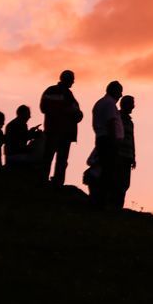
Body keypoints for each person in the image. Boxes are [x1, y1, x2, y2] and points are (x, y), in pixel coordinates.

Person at [40, 70, 83, 186]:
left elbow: (43, 107)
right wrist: (70, 112)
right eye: (72, 79)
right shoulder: (67, 95)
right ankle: (56, 182)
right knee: (59, 160)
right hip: (62, 132)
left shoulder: (51, 91)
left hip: (55, 131)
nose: (73, 82)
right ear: (68, 80)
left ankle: (45, 180)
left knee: (50, 158)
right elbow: (76, 113)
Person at [89, 80, 124, 209]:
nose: (121, 95)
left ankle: (100, 199)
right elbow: (110, 123)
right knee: (107, 171)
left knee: (105, 169)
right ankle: (101, 201)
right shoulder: (109, 104)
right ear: (114, 90)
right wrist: (114, 141)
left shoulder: (103, 103)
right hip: (108, 140)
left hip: (105, 139)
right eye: (120, 91)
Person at [114, 94, 137, 209]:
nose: (134, 106)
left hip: (127, 157)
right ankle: (115, 206)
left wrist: (133, 156)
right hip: (118, 156)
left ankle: (118, 206)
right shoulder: (117, 118)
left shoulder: (130, 122)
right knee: (117, 182)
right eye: (132, 104)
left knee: (125, 184)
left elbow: (132, 140)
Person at [4, 105, 37, 177]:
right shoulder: (15, 126)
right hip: (14, 155)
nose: (29, 117)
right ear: (22, 114)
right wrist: (30, 134)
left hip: (14, 154)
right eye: (28, 114)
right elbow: (19, 141)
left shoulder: (17, 125)